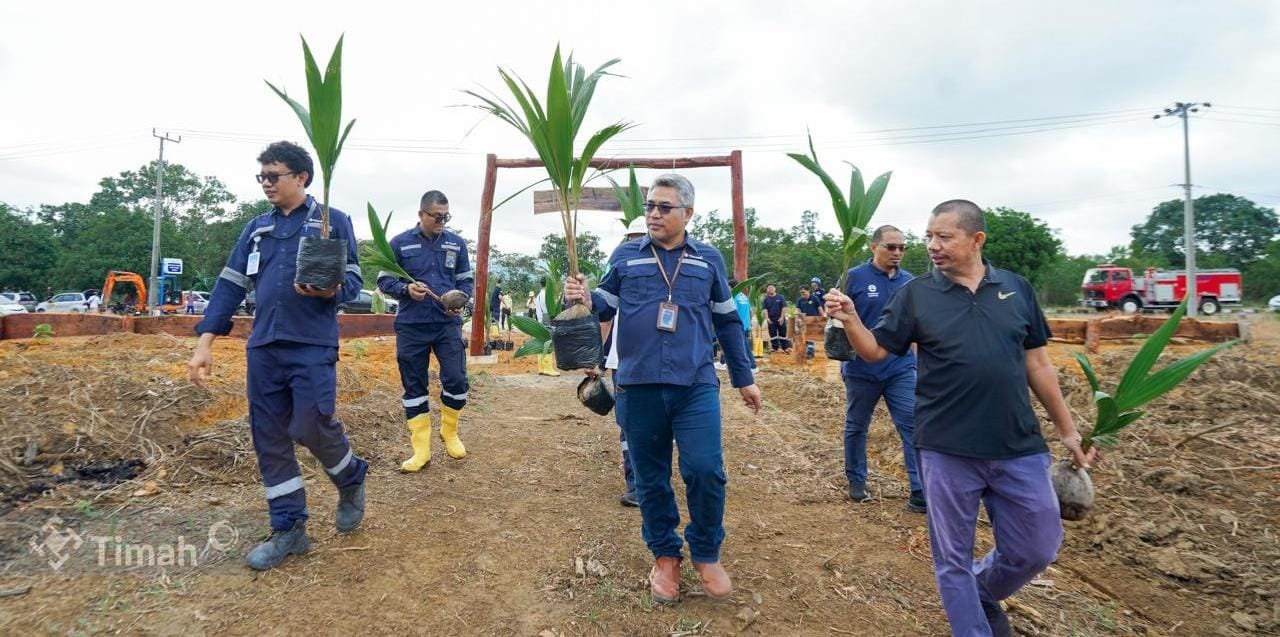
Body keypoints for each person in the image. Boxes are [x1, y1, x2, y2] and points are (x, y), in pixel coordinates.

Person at [823, 200, 1096, 637]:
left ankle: (981, 590)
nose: (932, 245)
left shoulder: (1016, 289)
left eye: (943, 237)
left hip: (1017, 444)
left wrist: (1068, 431)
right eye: (929, 236)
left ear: (977, 240)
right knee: (951, 559)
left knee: (1038, 546)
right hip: (946, 447)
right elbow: (875, 352)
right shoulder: (916, 294)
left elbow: (1038, 366)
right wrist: (852, 318)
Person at [565, 173, 763, 605]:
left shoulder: (707, 259)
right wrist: (581, 295)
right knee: (651, 479)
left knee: (706, 470)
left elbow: (728, 320)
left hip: (695, 384)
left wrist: (743, 377)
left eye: (664, 207)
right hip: (638, 385)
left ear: (688, 213)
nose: (653, 213)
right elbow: (604, 304)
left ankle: (707, 552)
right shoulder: (627, 256)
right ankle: (665, 557)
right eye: (651, 206)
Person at [189, 140, 368, 571]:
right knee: (269, 437)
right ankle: (289, 528)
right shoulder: (256, 229)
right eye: (262, 177)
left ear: (301, 177)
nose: (266, 184)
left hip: (312, 343)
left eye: (274, 176)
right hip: (265, 345)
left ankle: (350, 477)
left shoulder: (331, 221)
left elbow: (354, 280)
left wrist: (333, 289)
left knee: (310, 423)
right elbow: (230, 284)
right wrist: (205, 341)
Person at [377, 190, 474, 472]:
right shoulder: (399, 244)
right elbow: (384, 280)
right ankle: (420, 450)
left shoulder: (456, 244)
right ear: (421, 214)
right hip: (412, 325)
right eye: (437, 216)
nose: (442, 221)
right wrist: (405, 289)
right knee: (414, 386)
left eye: (446, 216)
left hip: (447, 324)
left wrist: (461, 299)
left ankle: (450, 431)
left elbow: (466, 281)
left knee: (456, 379)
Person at [839, 225, 924, 512]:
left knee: (912, 424)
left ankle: (920, 489)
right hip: (861, 369)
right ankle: (856, 479)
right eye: (891, 247)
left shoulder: (911, 283)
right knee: (857, 425)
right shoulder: (854, 277)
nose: (897, 253)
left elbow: (916, 329)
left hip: (900, 368)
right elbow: (837, 319)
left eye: (902, 248)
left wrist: (921, 364)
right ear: (873, 247)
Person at [794, 286, 822, 358]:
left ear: (808, 291)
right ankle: (806, 352)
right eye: (801, 293)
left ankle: (810, 353)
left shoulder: (814, 298)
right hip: (803, 320)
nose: (802, 294)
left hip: (813, 320)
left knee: (810, 337)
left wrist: (823, 318)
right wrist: (797, 318)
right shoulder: (800, 300)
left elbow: (820, 309)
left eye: (803, 292)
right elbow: (797, 310)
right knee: (804, 337)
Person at [761, 284, 789, 353]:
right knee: (772, 334)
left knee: (783, 333)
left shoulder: (780, 297)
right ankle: (774, 348)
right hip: (771, 319)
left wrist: (782, 317)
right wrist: (767, 318)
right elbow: (765, 309)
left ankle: (785, 348)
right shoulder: (766, 299)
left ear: (775, 289)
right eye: (769, 288)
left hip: (780, 319)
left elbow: (784, 307)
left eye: (772, 288)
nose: (770, 289)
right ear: (767, 290)